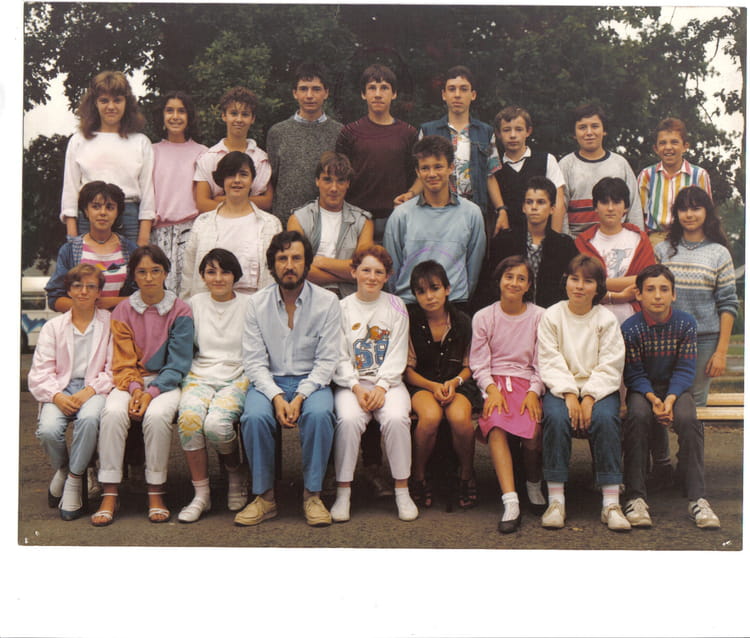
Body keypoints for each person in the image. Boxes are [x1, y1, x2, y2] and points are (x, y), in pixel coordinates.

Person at [235, 231, 341, 527]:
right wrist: (276, 396)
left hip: (313, 381)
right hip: (270, 380)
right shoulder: (257, 303)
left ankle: (312, 495)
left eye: (296, 258)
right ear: (272, 265)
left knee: (319, 415)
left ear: (307, 263)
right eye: (282, 258)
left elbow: (327, 361)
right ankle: (265, 498)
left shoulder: (328, 302)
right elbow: (254, 361)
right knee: (254, 417)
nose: (290, 265)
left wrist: (301, 395)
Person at [91, 245, 194, 526]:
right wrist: (136, 390)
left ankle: (156, 492)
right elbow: (123, 361)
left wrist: (151, 393)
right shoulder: (123, 310)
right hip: (130, 381)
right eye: (142, 272)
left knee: (157, 416)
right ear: (134, 276)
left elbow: (178, 363)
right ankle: (110, 493)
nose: (149, 278)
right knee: (112, 413)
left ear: (166, 273)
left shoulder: (180, 310)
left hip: (166, 382)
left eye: (155, 271)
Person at [621, 264, 721, 529]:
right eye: (650, 289)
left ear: (673, 294)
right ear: (639, 294)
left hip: (676, 389)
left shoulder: (686, 323)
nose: (657, 295)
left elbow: (685, 369)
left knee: (688, 419)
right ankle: (636, 496)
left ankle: (697, 498)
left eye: (664, 289)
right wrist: (654, 399)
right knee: (637, 416)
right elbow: (633, 373)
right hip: (644, 390)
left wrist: (670, 399)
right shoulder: (630, 328)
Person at [537, 255, 630, 531]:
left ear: (598, 287)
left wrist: (589, 396)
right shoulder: (552, 315)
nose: (579, 286)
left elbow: (611, 363)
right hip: (561, 387)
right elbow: (550, 360)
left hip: (599, 389)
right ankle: (556, 501)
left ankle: (611, 503)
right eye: (574, 279)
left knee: (606, 419)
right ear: (565, 281)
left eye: (587, 281)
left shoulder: (606, 318)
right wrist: (568, 394)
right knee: (555, 418)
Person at [330, 245, 417, 523]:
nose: (371, 277)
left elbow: (397, 351)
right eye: (365, 270)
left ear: (387, 276)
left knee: (396, 418)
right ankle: (343, 492)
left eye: (378, 272)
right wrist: (355, 387)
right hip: (352, 385)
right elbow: (338, 355)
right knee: (348, 420)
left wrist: (381, 386)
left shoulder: (396, 305)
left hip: (388, 384)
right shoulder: (341, 308)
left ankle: (402, 490)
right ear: (354, 272)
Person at [28, 264, 114, 521]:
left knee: (88, 419)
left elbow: (114, 369)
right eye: (77, 286)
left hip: (95, 389)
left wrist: (90, 391)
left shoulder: (110, 323)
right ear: (69, 290)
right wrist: (57, 396)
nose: (84, 291)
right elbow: (40, 372)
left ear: (99, 292)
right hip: (60, 388)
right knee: (48, 429)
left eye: (91, 286)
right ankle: (64, 469)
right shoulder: (53, 327)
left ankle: (76, 480)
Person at [470, 256, 545, 533]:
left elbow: (543, 362)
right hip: (495, 383)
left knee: (533, 433)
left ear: (529, 285)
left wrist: (534, 392)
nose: (514, 283)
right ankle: (510, 501)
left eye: (521, 278)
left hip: (528, 382)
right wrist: (491, 390)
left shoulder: (540, 316)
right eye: (509, 277)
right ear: (500, 280)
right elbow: (479, 363)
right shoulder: (484, 317)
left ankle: (533, 483)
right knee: (496, 425)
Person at [176, 249, 251, 523]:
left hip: (237, 375)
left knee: (217, 426)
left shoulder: (249, 305)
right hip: (200, 375)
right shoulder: (194, 303)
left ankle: (234, 472)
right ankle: (201, 494)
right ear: (203, 276)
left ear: (235, 275)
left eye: (225, 271)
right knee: (189, 420)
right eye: (211, 272)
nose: (218, 278)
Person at [394, 66, 504, 238]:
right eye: (452, 89)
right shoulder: (428, 131)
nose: (457, 95)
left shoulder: (486, 132)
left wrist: (501, 209)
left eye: (463, 89)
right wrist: (410, 194)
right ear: (444, 95)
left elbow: (490, 175)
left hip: (475, 213)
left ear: (473, 95)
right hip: (437, 213)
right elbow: (423, 175)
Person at [405, 260, 481, 510]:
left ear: (447, 289)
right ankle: (418, 475)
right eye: (421, 291)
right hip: (422, 383)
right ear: (415, 295)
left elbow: (470, 366)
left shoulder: (462, 321)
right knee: (430, 416)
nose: (429, 296)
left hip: (457, 382)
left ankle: (466, 474)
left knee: (460, 418)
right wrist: (432, 386)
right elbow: (407, 371)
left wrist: (454, 382)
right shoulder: (410, 322)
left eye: (435, 288)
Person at [654, 185, 738, 406]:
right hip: (664, 338)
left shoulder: (719, 253)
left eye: (695, 208)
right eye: (683, 209)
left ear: (707, 212)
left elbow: (728, 304)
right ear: (676, 214)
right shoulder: (661, 250)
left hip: (704, 340)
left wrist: (721, 352)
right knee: (661, 401)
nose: (689, 214)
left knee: (694, 405)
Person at [384, 135, 486, 311]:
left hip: (455, 303)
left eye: (438, 166)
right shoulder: (401, 215)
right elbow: (392, 267)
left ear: (451, 167)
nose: (432, 174)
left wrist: (461, 298)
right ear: (417, 172)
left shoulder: (471, 213)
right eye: (425, 168)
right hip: (410, 305)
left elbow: (474, 267)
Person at [60, 70, 155, 246]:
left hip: (129, 218)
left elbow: (148, 192)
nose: (111, 106)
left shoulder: (141, 142)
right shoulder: (79, 140)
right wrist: (72, 236)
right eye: (104, 100)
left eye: (117, 100)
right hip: (88, 217)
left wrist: (143, 239)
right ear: (94, 104)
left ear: (127, 103)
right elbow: (70, 189)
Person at [181, 151, 282, 299]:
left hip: (256, 305)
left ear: (252, 180)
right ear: (222, 180)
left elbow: (278, 271)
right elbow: (189, 273)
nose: (237, 180)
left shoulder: (271, 224)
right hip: (210, 306)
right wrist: (187, 307)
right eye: (231, 175)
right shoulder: (203, 223)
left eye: (243, 174)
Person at [336, 64, 418, 241]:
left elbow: (418, 175)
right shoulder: (349, 132)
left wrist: (410, 195)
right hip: (356, 219)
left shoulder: (409, 133)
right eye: (372, 88)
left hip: (397, 218)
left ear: (394, 94)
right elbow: (339, 178)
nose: (378, 94)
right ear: (363, 94)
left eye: (384, 88)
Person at [476, 176, 577, 311]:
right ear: (523, 207)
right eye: (529, 202)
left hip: (551, 314)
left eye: (541, 202)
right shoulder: (504, 241)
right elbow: (489, 283)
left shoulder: (564, 245)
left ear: (552, 208)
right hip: (511, 313)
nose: (534, 207)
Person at [287, 151, 374, 297]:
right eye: (327, 180)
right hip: (308, 298)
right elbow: (296, 268)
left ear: (348, 183)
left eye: (340, 181)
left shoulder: (363, 221)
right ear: (317, 181)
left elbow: (365, 267)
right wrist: (347, 276)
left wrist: (320, 262)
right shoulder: (298, 219)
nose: (334, 188)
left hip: (348, 299)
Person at [266, 62, 343, 225]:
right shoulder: (277, 132)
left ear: (326, 93)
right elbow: (272, 180)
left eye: (316, 89)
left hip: (327, 221)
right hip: (285, 222)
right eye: (303, 89)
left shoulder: (340, 133)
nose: (309, 95)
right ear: (295, 93)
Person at [46, 181, 138, 312]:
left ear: (118, 212)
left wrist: (112, 302)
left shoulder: (131, 250)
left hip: (121, 323)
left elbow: (145, 297)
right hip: (82, 323)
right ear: (86, 210)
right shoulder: (70, 251)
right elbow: (54, 297)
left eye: (110, 207)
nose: (103, 212)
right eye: (96, 206)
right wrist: (88, 308)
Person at [575, 176, 656, 325]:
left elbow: (648, 280)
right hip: (592, 322)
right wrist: (620, 294)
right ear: (595, 207)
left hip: (635, 322)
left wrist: (598, 284)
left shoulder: (639, 239)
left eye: (617, 202)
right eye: (604, 202)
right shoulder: (583, 242)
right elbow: (579, 287)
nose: (610, 208)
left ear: (626, 207)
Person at [150, 91, 208, 293]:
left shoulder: (202, 152)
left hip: (191, 231)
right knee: (159, 293)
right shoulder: (151, 151)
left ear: (189, 116)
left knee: (189, 291)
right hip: (157, 233)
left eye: (181, 111)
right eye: (170, 111)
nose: (175, 116)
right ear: (162, 115)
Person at [558, 103, 644, 237]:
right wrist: (565, 243)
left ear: (604, 130)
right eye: (582, 127)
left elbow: (634, 208)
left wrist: (637, 239)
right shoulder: (565, 165)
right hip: (576, 240)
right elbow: (560, 211)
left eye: (595, 126)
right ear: (574, 133)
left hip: (616, 239)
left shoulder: (620, 164)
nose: (589, 133)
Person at [193, 86, 273, 212]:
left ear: (252, 119)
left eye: (245, 114)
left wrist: (221, 199)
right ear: (224, 116)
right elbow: (202, 203)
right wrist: (243, 205)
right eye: (234, 113)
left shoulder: (262, 159)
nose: (239, 119)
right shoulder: (208, 158)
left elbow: (267, 201)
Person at [637, 117, 713, 247]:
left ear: (685, 146)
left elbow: (707, 213)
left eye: (674, 142)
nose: (668, 147)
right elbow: (639, 214)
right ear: (656, 148)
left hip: (689, 236)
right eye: (662, 143)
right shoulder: (647, 175)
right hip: (657, 237)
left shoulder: (699, 175)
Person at [492, 105, 567, 234]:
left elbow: (558, 204)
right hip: (507, 239)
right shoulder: (494, 168)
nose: (513, 135)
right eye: (506, 130)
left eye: (519, 129)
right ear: (498, 134)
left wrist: (554, 239)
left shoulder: (547, 160)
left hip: (543, 237)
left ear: (528, 131)